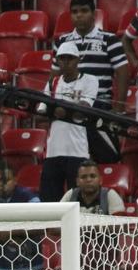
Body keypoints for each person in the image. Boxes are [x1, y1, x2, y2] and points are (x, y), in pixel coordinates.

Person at [39, 43, 99, 203]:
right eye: (62, 58)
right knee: (49, 201)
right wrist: (64, 110)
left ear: (77, 60)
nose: (66, 62)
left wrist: (58, 109)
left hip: (78, 149)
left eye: (70, 58)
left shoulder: (89, 80)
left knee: (79, 199)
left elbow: (85, 109)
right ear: (57, 61)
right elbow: (40, 114)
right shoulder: (53, 82)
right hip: (53, 150)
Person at [0, 159, 43, 270]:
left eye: (7, 180)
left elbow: (41, 227)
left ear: (15, 180)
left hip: (31, 268)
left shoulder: (30, 199)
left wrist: (11, 232)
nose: (2, 184)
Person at [60, 160, 126, 215]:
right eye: (83, 177)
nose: (88, 180)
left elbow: (121, 226)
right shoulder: (70, 194)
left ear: (100, 180)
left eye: (92, 176)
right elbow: (56, 220)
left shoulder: (110, 195)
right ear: (77, 181)